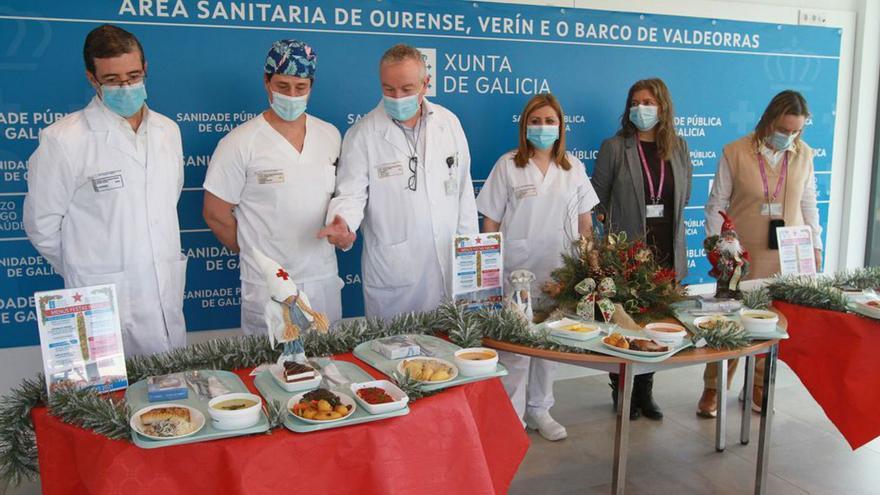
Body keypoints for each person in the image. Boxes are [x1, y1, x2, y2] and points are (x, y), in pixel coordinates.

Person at [24, 24, 187, 357]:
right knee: (107, 404)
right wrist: (89, 269)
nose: (126, 86)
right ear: (92, 78)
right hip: (100, 302)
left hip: (163, 292)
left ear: (145, 70)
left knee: (172, 394)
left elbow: (166, 202)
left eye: (133, 75)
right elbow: (42, 227)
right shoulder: (64, 139)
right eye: (112, 80)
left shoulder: (168, 131)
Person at [318, 44, 478, 319]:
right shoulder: (364, 134)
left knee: (450, 353)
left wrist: (470, 258)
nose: (397, 97)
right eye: (389, 89)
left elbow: (463, 195)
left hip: (451, 269)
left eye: (406, 88)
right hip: (395, 276)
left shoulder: (448, 123)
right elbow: (351, 195)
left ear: (425, 84)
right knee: (393, 356)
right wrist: (342, 223)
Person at [476, 93, 599, 441]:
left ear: (561, 127)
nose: (542, 128)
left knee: (549, 346)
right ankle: (510, 416)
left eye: (549, 121)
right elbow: (490, 223)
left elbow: (585, 223)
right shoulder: (508, 165)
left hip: (561, 272)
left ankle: (539, 409)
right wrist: (491, 271)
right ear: (524, 125)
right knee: (516, 348)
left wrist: (589, 264)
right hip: (516, 272)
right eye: (535, 121)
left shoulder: (572, 167)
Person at [203, 40, 343, 335]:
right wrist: (259, 257)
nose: (291, 95)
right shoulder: (240, 142)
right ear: (267, 82)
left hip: (322, 279)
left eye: (300, 87)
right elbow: (215, 213)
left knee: (331, 370)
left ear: (311, 86)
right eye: (282, 85)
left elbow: (344, 199)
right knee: (271, 370)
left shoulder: (330, 136)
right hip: (267, 285)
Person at [698, 90, 821, 417]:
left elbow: (809, 203)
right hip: (741, 255)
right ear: (769, 120)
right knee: (731, 321)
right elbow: (716, 204)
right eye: (784, 129)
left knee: (771, 323)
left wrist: (816, 244)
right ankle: (713, 387)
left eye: (796, 131)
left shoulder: (804, 155)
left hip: (785, 255)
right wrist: (717, 248)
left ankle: (758, 385)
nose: (790, 137)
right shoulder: (735, 151)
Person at [592, 78, 693, 420]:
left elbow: (685, 196)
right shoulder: (615, 146)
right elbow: (598, 198)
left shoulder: (678, 147)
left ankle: (646, 392)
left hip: (666, 250)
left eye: (648, 102)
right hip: (628, 254)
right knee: (623, 323)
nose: (640, 108)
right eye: (635, 102)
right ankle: (622, 391)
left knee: (653, 325)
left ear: (662, 106)